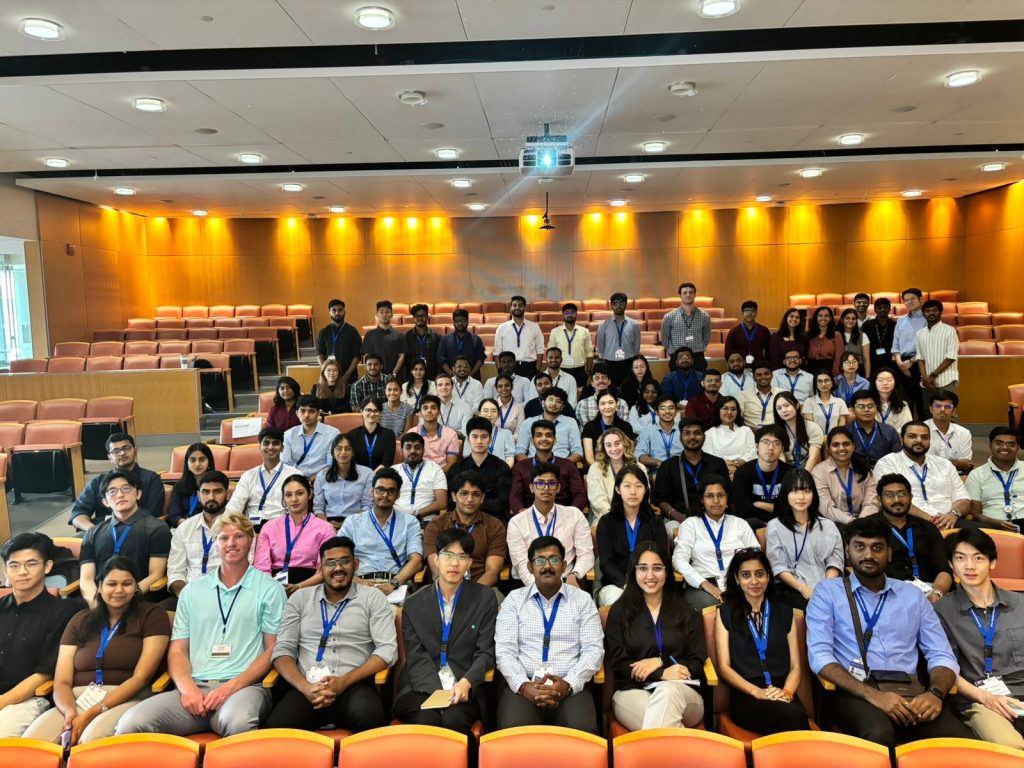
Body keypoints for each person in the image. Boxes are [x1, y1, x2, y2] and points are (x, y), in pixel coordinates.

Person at [115, 512, 287, 738]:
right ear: (215, 543)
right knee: (131, 723)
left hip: (243, 688)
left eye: (238, 537)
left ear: (250, 540)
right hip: (194, 689)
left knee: (237, 723)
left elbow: (272, 649)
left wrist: (230, 688)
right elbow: (177, 650)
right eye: (224, 538)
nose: (231, 544)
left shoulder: (270, 589)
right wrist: (187, 689)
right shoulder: (191, 591)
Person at [806, 515, 971, 748]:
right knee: (879, 735)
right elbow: (820, 657)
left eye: (877, 548)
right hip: (855, 693)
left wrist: (935, 693)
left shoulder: (912, 596)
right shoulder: (827, 593)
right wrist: (874, 696)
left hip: (911, 693)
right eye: (860, 547)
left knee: (962, 742)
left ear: (890, 553)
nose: (868, 555)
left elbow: (941, 654)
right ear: (847, 551)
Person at [23, 557, 170, 745]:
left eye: (127, 584)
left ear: (136, 587)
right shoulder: (81, 620)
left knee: (90, 740)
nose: (118, 590)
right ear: (99, 587)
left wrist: (91, 713)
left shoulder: (152, 615)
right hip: (77, 699)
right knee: (32, 743)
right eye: (111, 584)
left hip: (127, 696)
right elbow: (62, 681)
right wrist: (70, 713)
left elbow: (141, 678)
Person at [264, 536, 396, 733]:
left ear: (356, 564)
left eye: (345, 561)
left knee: (371, 717)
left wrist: (344, 681)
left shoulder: (372, 598)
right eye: (330, 563)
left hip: (354, 686)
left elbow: (387, 650)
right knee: (277, 730)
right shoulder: (300, 598)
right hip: (307, 688)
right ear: (320, 568)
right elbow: (283, 650)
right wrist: (305, 687)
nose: (338, 568)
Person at [393, 529, 497, 734]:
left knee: (454, 720)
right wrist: (439, 694)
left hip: (466, 684)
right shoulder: (414, 604)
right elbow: (416, 655)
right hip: (419, 684)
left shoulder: (484, 599)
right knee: (427, 718)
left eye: (462, 557)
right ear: (436, 560)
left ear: (469, 563)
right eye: (448, 555)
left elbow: (486, 651)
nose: (454, 563)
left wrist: (466, 682)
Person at [495, 536, 603, 732]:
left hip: (569, 687)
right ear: (529, 567)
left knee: (582, 731)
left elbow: (594, 650)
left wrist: (569, 684)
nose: (547, 566)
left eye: (554, 560)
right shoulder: (514, 600)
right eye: (540, 560)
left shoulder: (582, 600)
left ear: (564, 565)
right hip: (524, 687)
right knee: (513, 733)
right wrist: (524, 686)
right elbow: (504, 652)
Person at [934, 528, 1024, 748]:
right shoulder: (941, 612)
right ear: (951, 564)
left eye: (978, 558)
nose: (970, 566)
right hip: (979, 700)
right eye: (960, 558)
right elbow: (944, 669)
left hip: (1021, 695)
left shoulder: (1020, 604)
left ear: (992, 563)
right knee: (1011, 747)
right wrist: (986, 698)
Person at [604, 542, 706, 731]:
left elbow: (698, 662)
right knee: (660, 722)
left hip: (683, 692)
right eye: (643, 568)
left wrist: (661, 662)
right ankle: (685, 757)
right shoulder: (619, 611)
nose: (650, 576)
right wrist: (661, 673)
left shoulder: (686, 611)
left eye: (657, 568)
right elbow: (618, 663)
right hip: (632, 691)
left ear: (667, 572)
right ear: (634, 572)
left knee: (668, 692)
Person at [715, 549, 810, 734]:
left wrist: (787, 693)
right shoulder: (725, 612)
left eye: (759, 574)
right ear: (736, 579)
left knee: (795, 716)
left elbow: (796, 667)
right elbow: (724, 668)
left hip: (783, 692)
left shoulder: (784, 612)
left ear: (768, 576)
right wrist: (757, 692)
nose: (754, 581)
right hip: (747, 695)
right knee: (794, 720)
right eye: (746, 575)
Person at [0, 533, 79, 738]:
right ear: (5, 570)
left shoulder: (62, 613)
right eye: (14, 565)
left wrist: (2, 702)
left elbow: (44, 674)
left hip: (28, 700)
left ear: (47, 566)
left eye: (31, 564)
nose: (22, 572)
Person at [79, 471, 171, 606]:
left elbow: (155, 575)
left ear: (138, 494)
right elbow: (86, 578)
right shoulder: (93, 533)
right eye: (112, 491)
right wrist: (95, 604)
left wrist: (123, 599)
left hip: (138, 600)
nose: (120, 495)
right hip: (100, 602)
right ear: (105, 502)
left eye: (126, 489)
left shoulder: (157, 528)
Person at [673, 476, 760, 610]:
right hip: (704, 585)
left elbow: (757, 556)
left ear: (727, 498)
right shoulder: (691, 524)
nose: (716, 501)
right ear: (702, 499)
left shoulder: (740, 524)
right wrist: (702, 583)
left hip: (739, 583)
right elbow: (679, 560)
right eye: (709, 496)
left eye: (720, 495)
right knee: (715, 606)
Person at [338, 468, 423, 600]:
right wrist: (359, 582)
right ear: (372, 492)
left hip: (395, 585)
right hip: (359, 584)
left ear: (398, 494)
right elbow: (338, 557)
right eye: (380, 489)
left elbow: (416, 561)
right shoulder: (352, 522)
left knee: (397, 617)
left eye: (391, 491)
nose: (385, 495)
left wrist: (393, 583)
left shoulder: (410, 523)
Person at [506, 461, 593, 587]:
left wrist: (575, 574)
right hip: (527, 585)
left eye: (552, 483)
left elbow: (586, 554)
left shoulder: (575, 515)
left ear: (558, 488)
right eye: (540, 483)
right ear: (531, 488)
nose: (546, 488)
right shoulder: (516, 522)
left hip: (566, 581)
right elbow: (521, 564)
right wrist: (543, 588)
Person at [765, 470, 844, 609]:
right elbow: (778, 566)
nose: (801, 497)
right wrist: (804, 590)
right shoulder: (775, 527)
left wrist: (825, 589)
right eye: (795, 491)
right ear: (785, 494)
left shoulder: (828, 525)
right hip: (794, 591)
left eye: (806, 491)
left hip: (830, 587)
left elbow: (835, 561)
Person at [166, 471, 243, 609]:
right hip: (189, 595)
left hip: (229, 596)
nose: (211, 497)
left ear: (228, 494)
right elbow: (175, 572)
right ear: (198, 495)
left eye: (217, 491)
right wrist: (188, 596)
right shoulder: (184, 528)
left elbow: (246, 570)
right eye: (205, 492)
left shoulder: (241, 528)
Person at [874, 422, 971, 530]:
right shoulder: (887, 463)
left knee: (982, 533)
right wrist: (931, 520)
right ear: (901, 440)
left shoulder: (945, 464)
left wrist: (953, 514)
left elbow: (963, 498)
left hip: (949, 520)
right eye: (912, 436)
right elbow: (893, 500)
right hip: (909, 521)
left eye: (924, 437)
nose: (919, 440)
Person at [873, 474, 951, 606]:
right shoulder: (868, 528)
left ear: (911, 497)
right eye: (889, 495)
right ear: (879, 499)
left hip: (928, 595)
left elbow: (944, 570)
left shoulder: (928, 528)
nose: (897, 499)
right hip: (886, 596)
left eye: (902, 494)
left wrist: (938, 592)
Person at [596, 468, 669, 606]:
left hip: (651, 582)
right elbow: (606, 563)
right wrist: (626, 584)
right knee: (620, 604)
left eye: (638, 486)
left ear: (646, 490)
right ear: (618, 489)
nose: (633, 491)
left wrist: (647, 583)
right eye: (627, 486)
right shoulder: (606, 522)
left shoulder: (656, 522)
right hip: (616, 585)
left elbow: (662, 559)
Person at [254, 474, 336, 595]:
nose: (294, 499)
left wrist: (299, 587)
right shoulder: (269, 528)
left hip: (310, 587)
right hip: (273, 587)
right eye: (288, 495)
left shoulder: (325, 528)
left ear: (310, 494)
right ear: (283, 498)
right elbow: (262, 567)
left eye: (299, 493)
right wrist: (273, 588)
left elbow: (324, 570)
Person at [424, 471, 508, 587]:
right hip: (443, 589)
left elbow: (492, 572)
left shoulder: (495, 526)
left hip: (480, 589)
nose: (470, 499)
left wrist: (471, 596)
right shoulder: (436, 525)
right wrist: (452, 593)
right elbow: (436, 569)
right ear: (454, 496)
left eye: (476, 494)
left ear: (482, 498)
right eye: (464, 493)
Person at [69, 433, 164, 531]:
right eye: (116, 451)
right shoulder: (98, 482)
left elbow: (152, 513)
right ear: (109, 457)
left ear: (135, 451)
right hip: (101, 530)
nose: (122, 453)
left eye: (126, 448)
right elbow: (78, 514)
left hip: (137, 531)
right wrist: (94, 532)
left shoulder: (151, 479)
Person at [652, 418, 730, 526]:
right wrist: (678, 516)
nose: (692, 437)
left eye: (697, 433)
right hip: (679, 519)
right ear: (680, 437)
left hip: (714, 517)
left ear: (704, 436)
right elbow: (660, 499)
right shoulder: (668, 466)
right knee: (672, 527)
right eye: (687, 433)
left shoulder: (717, 463)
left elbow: (727, 494)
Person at [225, 427, 302, 528]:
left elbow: (299, 509)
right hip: (252, 528)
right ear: (259, 447)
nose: (270, 447)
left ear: (282, 448)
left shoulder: (295, 475)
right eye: (266, 443)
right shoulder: (248, 476)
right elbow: (235, 505)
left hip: (282, 527)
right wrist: (228, 525)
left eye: (275, 443)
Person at [509, 420, 587, 513]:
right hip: (529, 515)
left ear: (555, 440)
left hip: (562, 515)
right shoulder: (521, 466)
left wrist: (570, 513)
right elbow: (515, 496)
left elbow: (579, 495)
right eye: (539, 435)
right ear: (532, 440)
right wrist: (522, 512)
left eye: (548, 435)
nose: (544, 438)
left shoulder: (568, 465)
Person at [447, 417, 513, 523]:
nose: (479, 441)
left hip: (493, 520)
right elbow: (451, 501)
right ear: (468, 439)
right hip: (462, 520)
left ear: (490, 439)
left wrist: (469, 504)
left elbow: (501, 502)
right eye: (475, 436)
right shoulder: (457, 468)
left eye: (484, 437)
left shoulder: (502, 467)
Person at [812, 427, 880, 526]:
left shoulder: (864, 469)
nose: (841, 448)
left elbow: (872, 503)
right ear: (828, 449)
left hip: (865, 521)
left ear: (853, 446)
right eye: (835, 445)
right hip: (834, 523)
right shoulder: (819, 472)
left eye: (846, 444)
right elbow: (826, 508)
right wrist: (851, 522)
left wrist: (860, 522)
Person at [731, 426, 795, 527]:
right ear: (757, 446)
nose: (770, 447)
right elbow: (742, 509)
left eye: (776, 443)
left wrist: (760, 504)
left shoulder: (790, 472)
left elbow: (791, 507)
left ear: (782, 449)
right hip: (753, 524)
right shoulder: (743, 472)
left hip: (783, 523)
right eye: (766, 442)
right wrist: (774, 509)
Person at [965, 427, 1024, 530]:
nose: (1005, 447)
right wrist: (995, 522)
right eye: (999, 443)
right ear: (990, 446)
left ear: (1018, 448)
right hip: (993, 525)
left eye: (1011, 444)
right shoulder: (977, 475)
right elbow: (975, 513)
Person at [313, 434, 375, 528]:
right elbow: (318, 508)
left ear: (353, 452)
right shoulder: (322, 476)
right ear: (333, 452)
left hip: (356, 522)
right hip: (328, 523)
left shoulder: (367, 474)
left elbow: (367, 506)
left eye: (348, 448)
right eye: (338, 448)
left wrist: (345, 524)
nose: (343, 452)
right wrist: (328, 527)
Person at [587, 428, 647, 520]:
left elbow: (644, 495)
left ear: (625, 444)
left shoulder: (640, 468)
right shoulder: (595, 469)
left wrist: (629, 517)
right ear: (603, 448)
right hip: (605, 516)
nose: (614, 449)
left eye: (617, 443)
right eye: (608, 445)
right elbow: (597, 500)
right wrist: (616, 518)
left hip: (635, 515)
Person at [391, 432, 449, 523]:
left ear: (423, 450)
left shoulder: (435, 469)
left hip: (425, 520)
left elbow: (442, 502)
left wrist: (417, 514)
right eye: (408, 447)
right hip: (396, 520)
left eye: (417, 447)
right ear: (401, 451)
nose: (413, 451)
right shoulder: (393, 471)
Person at [516, 387, 583, 465]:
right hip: (534, 468)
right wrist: (533, 466)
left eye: (558, 401)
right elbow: (519, 452)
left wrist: (563, 465)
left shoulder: (570, 422)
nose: (554, 404)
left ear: (562, 407)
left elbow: (578, 452)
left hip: (561, 467)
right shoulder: (528, 423)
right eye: (551, 400)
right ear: (543, 403)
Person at [282, 395, 341, 478]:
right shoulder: (288, 435)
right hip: (295, 479)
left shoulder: (333, 433)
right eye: (302, 411)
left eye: (311, 411)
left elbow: (331, 464)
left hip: (324, 478)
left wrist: (317, 478)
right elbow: (284, 463)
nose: (306, 415)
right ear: (297, 413)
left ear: (318, 413)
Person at [916, 299, 960, 407]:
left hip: (946, 380)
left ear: (940, 312)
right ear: (923, 313)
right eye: (927, 311)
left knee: (947, 412)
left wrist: (932, 375)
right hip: (927, 382)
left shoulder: (950, 331)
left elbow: (951, 357)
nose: (931, 313)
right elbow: (920, 358)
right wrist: (925, 377)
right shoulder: (920, 333)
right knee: (929, 412)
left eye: (934, 310)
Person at [892, 288, 927, 418]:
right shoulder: (901, 320)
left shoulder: (927, 319)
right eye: (906, 300)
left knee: (921, 400)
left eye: (912, 299)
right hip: (901, 363)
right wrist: (900, 362)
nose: (909, 302)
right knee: (905, 400)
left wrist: (911, 362)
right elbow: (895, 344)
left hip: (920, 362)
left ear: (920, 299)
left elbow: (926, 345)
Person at [494, 295, 545, 379]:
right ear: (510, 308)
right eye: (514, 305)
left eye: (520, 305)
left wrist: (537, 368)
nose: (517, 307)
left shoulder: (534, 327)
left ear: (525, 307)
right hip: (508, 367)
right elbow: (497, 352)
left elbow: (540, 349)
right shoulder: (502, 328)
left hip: (529, 367)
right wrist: (500, 370)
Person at [847, 390, 902, 469]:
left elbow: (898, 458)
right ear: (852, 410)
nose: (866, 410)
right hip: (853, 474)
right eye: (861, 406)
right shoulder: (845, 432)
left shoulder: (889, 431)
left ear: (876, 407)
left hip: (884, 473)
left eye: (870, 406)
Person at [662, 282, 711, 370]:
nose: (688, 295)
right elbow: (665, 339)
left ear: (695, 294)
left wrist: (698, 347)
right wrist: (674, 353)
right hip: (677, 358)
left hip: (697, 357)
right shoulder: (669, 317)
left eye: (691, 292)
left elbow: (706, 338)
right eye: (684, 292)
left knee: (700, 383)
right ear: (680, 295)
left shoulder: (704, 316)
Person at [703, 396, 756, 477]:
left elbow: (753, 451)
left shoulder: (746, 430)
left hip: (744, 469)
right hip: (718, 472)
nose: (729, 412)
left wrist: (739, 463)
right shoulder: (709, 433)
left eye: (733, 409)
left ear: (738, 412)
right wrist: (724, 463)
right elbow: (708, 455)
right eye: (725, 408)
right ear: (718, 411)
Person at [315, 300, 361, 389]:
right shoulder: (323, 332)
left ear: (344, 312)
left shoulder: (352, 331)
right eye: (334, 310)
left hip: (349, 377)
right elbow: (320, 355)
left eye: (340, 310)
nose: (337, 313)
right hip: (329, 378)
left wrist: (346, 376)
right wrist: (326, 372)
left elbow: (357, 356)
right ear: (329, 313)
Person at [597, 293, 642, 385]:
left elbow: (636, 348)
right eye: (615, 303)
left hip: (628, 363)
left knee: (628, 390)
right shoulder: (603, 325)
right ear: (611, 306)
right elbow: (600, 348)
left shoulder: (634, 325)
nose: (619, 306)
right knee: (611, 391)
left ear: (626, 304)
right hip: (610, 364)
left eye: (621, 303)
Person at [167, 442, 217, 527]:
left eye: (202, 459)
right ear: (187, 463)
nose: (197, 464)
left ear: (209, 462)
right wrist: (185, 523)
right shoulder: (179, 486)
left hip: (210, 526)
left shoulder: (217, 484)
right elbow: (174, 515)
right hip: (184, 527)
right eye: (193, 460)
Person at [773, 391, 823, 472]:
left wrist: (803, 477)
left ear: (796, 405)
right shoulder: (776, 431)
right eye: (779, 408)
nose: (784, 410)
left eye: (786, 405)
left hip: (811, 471)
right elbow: (781, 458)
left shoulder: (812, 427)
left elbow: (813, 458)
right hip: (788, 471)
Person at [925, 390, 973, 473]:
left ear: (954, 411)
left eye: (947, 407)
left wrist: (934, 463)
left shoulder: (964, 433)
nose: (942, 409)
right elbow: (921, 463)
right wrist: (957, 462)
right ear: (930, 409)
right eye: (938, 406)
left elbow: (966, 466)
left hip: (955, 477)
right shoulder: (920, 430)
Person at [582, 392, 636, 467]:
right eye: (603, 403)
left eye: (611, 403)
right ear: (598, 406)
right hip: (598, 469)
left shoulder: (626, 426)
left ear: (616, 404)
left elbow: (630, 453)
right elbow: (589, 458)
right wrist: (600, 471)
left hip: (623, 469)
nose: (607, 407)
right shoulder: (589, 427)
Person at [548, 302, 593, 388]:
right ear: (563, 315)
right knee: (561, 395)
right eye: (567, 313)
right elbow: (551, 352)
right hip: (561, 370)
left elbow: (589, 352)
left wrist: (589, 371)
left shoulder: (584, 331)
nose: (570, 315)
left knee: (579, 395)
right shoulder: (555, 332)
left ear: (576, 314)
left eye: (572, 312)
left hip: (580, 371)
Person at [360, 300, 406, 380]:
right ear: (377, 315)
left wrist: (393, 373)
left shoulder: (399, 335)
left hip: (395, 377)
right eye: (381, 312)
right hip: (375, 377)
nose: (384, 315)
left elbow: (401, 356)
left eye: (387, 312)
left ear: (391, 315)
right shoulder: (370, 335)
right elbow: (367, 356)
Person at [348, 397, 397, 470]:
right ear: (361, 411)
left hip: (381, 477)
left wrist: (372, 476)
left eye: (376, 411)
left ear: (380, 413)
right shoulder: (352, 435)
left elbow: (387, 462)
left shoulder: (389, 435)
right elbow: (351, 461)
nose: (372, 414)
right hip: (357, 476)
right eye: (368, 410)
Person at [637, 396, 684, 471]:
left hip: (681, 468)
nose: (667, 411)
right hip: (657, 469)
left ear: (676, 411)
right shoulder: (647, 431)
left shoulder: (683, 430)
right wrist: (657, 462)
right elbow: (640, 454)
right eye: (663, 408)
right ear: (657, 412)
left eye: (671, 408)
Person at [416, 395, 461, 470]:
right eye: (425, 408)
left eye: (433, 408)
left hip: (442, 476)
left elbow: (451, 464)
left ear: (439, 411)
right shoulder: (413, 432)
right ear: (420, 413)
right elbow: (409, 462)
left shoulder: (451, 434)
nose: (429, 411)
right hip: (417, 475)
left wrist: (436, 476)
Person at [438, 311, 486, 379]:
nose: (460, 323)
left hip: (472, 378)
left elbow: (480, 359)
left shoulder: (476, 339)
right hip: (451, 379)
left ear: (467, 321)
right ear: (453, 322)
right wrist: (452, 375)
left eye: (463, 321)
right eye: (457, 321)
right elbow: (441, 359)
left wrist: (470, 375)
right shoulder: (445, 339)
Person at [801, 370, 849, 435]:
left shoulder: (840, 402)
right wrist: (822, 439)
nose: (823, 384)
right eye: (820, 381)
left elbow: (841, 426)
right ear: (816, 384)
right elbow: (809, 427)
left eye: (826, 380)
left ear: (832, 383)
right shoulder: (809, 402)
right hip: (815, 439)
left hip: (835, 439)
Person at [471, 399, 517, 467]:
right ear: (479, 413)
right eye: (486, 411)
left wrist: (502, 473)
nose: (489, 415)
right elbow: (467, 457)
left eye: (493, 411)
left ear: (498, 414)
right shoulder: (472, 433)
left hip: (500, 473)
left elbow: (510, 459)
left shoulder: (506, 433)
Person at [724, 300, 771, 365]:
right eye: (746, 311)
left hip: (759, 366)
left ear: (756, 313)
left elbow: (769, 351)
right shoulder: (734, 332)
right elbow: (728, 353)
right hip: (740, 366)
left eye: (752, 311)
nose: (749, 313)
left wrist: (766, 364)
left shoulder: (764, 330)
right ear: (742, 313)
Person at [737, 361, 783, 428]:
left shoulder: (781, 393)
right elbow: (737, 418)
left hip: (777, 432)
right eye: (759, 375)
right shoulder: (743, 395)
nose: (763, 377)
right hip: (752, 432)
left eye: (766, 374)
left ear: (772, 375)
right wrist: (749, 430)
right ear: (753, 377)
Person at [404, 304, 442, 380]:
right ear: (414, 318)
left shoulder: (436, 336)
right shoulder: (406, 336)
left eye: (423, 316)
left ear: (427, 317)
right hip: (412, 377)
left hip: (432, 376)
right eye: (417, 316)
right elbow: (405, 360)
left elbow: (440, 358)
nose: (420, 318)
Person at [862, 297, 897, 375]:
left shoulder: (895, 325)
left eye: (885, 307)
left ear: (889, 309)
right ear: (875, 309)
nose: (882, 309)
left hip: (890, 361)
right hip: (872, 360)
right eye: (879, 308)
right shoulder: (867, 325)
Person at [872, 368, 913, 433]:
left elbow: (907, 425)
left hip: (897, 439)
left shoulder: (903, 404)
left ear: (895, 382)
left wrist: (893, 437)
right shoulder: (869, 403)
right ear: (874, 383)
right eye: (880, 380)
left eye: (889, 380)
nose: (885, 383)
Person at [806, 306, 844, 376]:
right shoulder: (809, 335)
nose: (823, 318)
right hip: (810, 370)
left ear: (830, 318)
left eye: (826, 316)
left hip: (829, 369)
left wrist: (836, 374)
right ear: (816, 318)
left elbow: (839, 357)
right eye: (820, 316)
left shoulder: (836, 335)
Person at [489, 374, 527, 439]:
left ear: (512, 387)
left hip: (511, 444)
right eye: (500, 386)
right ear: (496, 389)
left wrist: (506, 442)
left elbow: (519, 433)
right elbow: (487, 429)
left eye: (507, 385)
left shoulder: (519, 408)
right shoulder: (490, 405)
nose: (504, 389)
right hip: (491, 442)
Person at [838, 308, 871, 377]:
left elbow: (866, 359)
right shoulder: (835, 335)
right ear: (842, 320)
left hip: (858, 371)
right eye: (847, 318)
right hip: (840, 371)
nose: (850, 321)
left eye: (853, 319)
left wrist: (867, 378)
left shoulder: (862, 335)